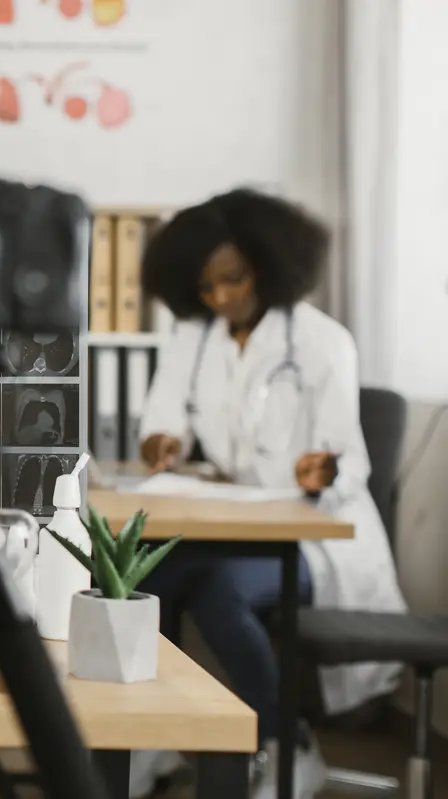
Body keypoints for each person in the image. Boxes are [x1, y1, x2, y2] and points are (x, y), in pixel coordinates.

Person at [125, 188, 407, 799]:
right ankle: (149, 735)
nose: (221, 298)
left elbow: (350, 462)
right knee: (141, 577)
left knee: (219, 589)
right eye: (206, 288)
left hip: (314, 537)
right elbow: (161, 419)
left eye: (233, 280)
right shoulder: (195, 337)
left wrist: (322, 471)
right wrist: (162, 442)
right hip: (237, 523)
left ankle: (290, 745)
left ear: (268, 264)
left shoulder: (321, 341)